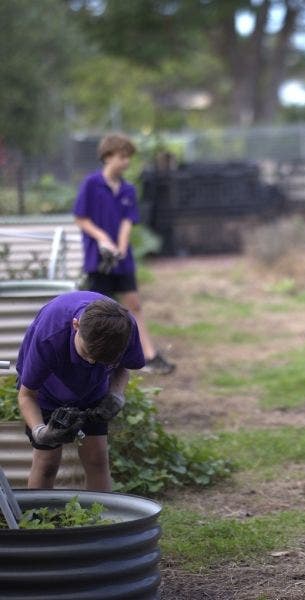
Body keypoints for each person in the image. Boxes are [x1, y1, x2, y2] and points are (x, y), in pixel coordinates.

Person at [16, 291, 145, 491]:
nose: (91, 361)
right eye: (87, 353)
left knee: (97, 459)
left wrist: (116, 395)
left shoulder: (125, 329)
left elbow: (122, 368)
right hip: (47, 392)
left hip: (93, 390)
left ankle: (102, 519)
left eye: (102, 360)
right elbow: (26, 395)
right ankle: (37, 519)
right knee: (47, 463)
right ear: (75, 325)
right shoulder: (49, 336)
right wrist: (41, 432)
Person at [73, 132, 175, 375]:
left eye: (129, 157)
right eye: (122, 156)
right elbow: (81, 218)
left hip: (122, 259)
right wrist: (103, 239)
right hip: (98, 260)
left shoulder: (128, 189)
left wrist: (120, 244)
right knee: (98, 310)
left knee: (134, 304)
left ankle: (148, 355)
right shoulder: (91, 184)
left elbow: (128, 221)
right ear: (107, 156)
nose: (126, 162)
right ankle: (95, 358)